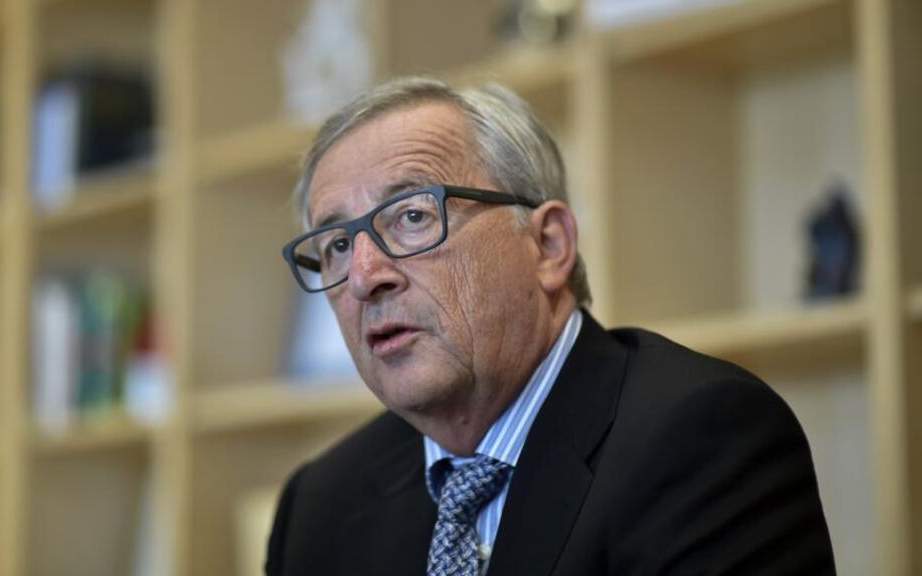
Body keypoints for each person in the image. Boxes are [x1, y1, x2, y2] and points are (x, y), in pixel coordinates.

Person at [268, 76, 835, 576]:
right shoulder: (320, 503)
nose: (365, 276)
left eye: (413, 216)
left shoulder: (703, 441)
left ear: (548, 245)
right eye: (338, 245)